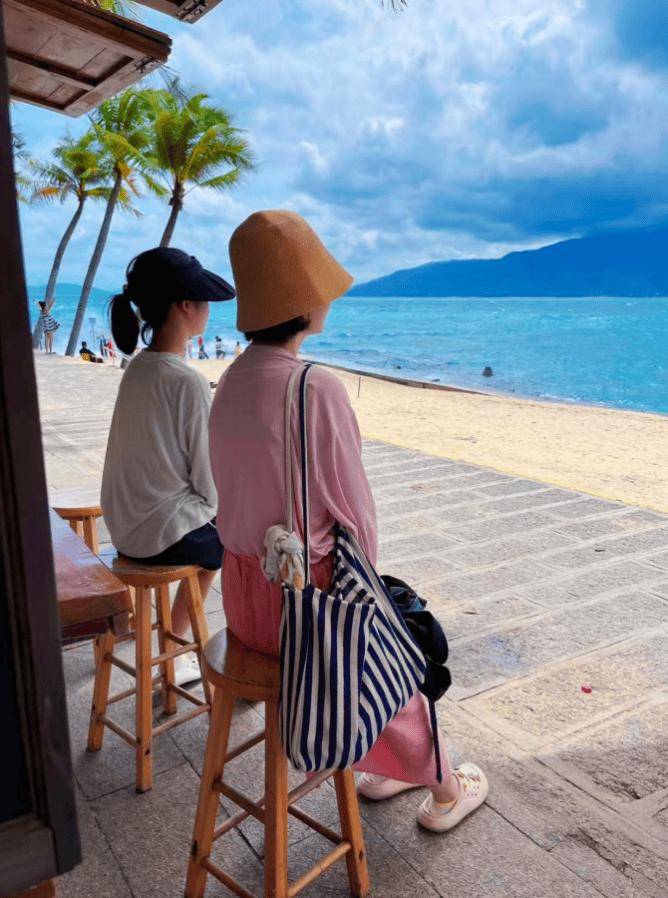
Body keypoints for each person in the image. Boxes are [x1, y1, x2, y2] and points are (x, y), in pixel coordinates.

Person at [209, 211, 488, 833]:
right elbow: (355, 517)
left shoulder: (228, 381)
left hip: (242, 602)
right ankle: (444, 787)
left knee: (368, 636)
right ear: (306, 301)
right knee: (385, 644)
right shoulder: (315, 387)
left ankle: (391, 765)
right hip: (301, 607)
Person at [101, 247, 235, 684]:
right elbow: (209, 484)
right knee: (227, 541)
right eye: (204, 300)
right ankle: (175, 650)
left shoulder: (137, 367)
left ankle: (172, 649)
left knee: (217, 527)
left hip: (124, 529)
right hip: (157, 536)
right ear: (184, 305)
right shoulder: (186, 381)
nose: (209, 308)